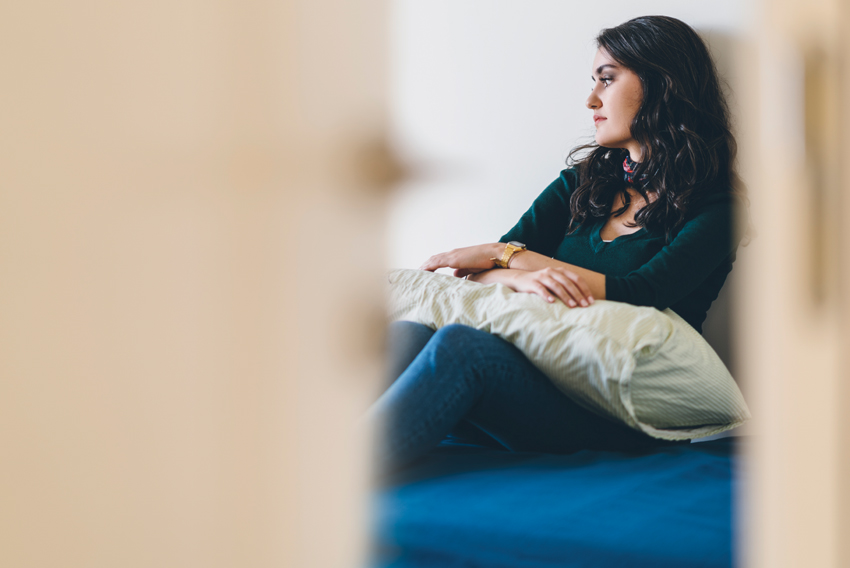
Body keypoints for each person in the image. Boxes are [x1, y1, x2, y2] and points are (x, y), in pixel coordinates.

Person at [366, 15, 747, 475]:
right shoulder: (582, 184)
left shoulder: (719, 206)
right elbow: (481, 278)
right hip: (534, 384)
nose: (591, 100)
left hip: (618, 412)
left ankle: (322, 490)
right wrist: (517, 270)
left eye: (606, 80)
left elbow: (643, 291)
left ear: (661, 84)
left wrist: (515, 259)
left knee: (460, 348)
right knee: (413, 330)